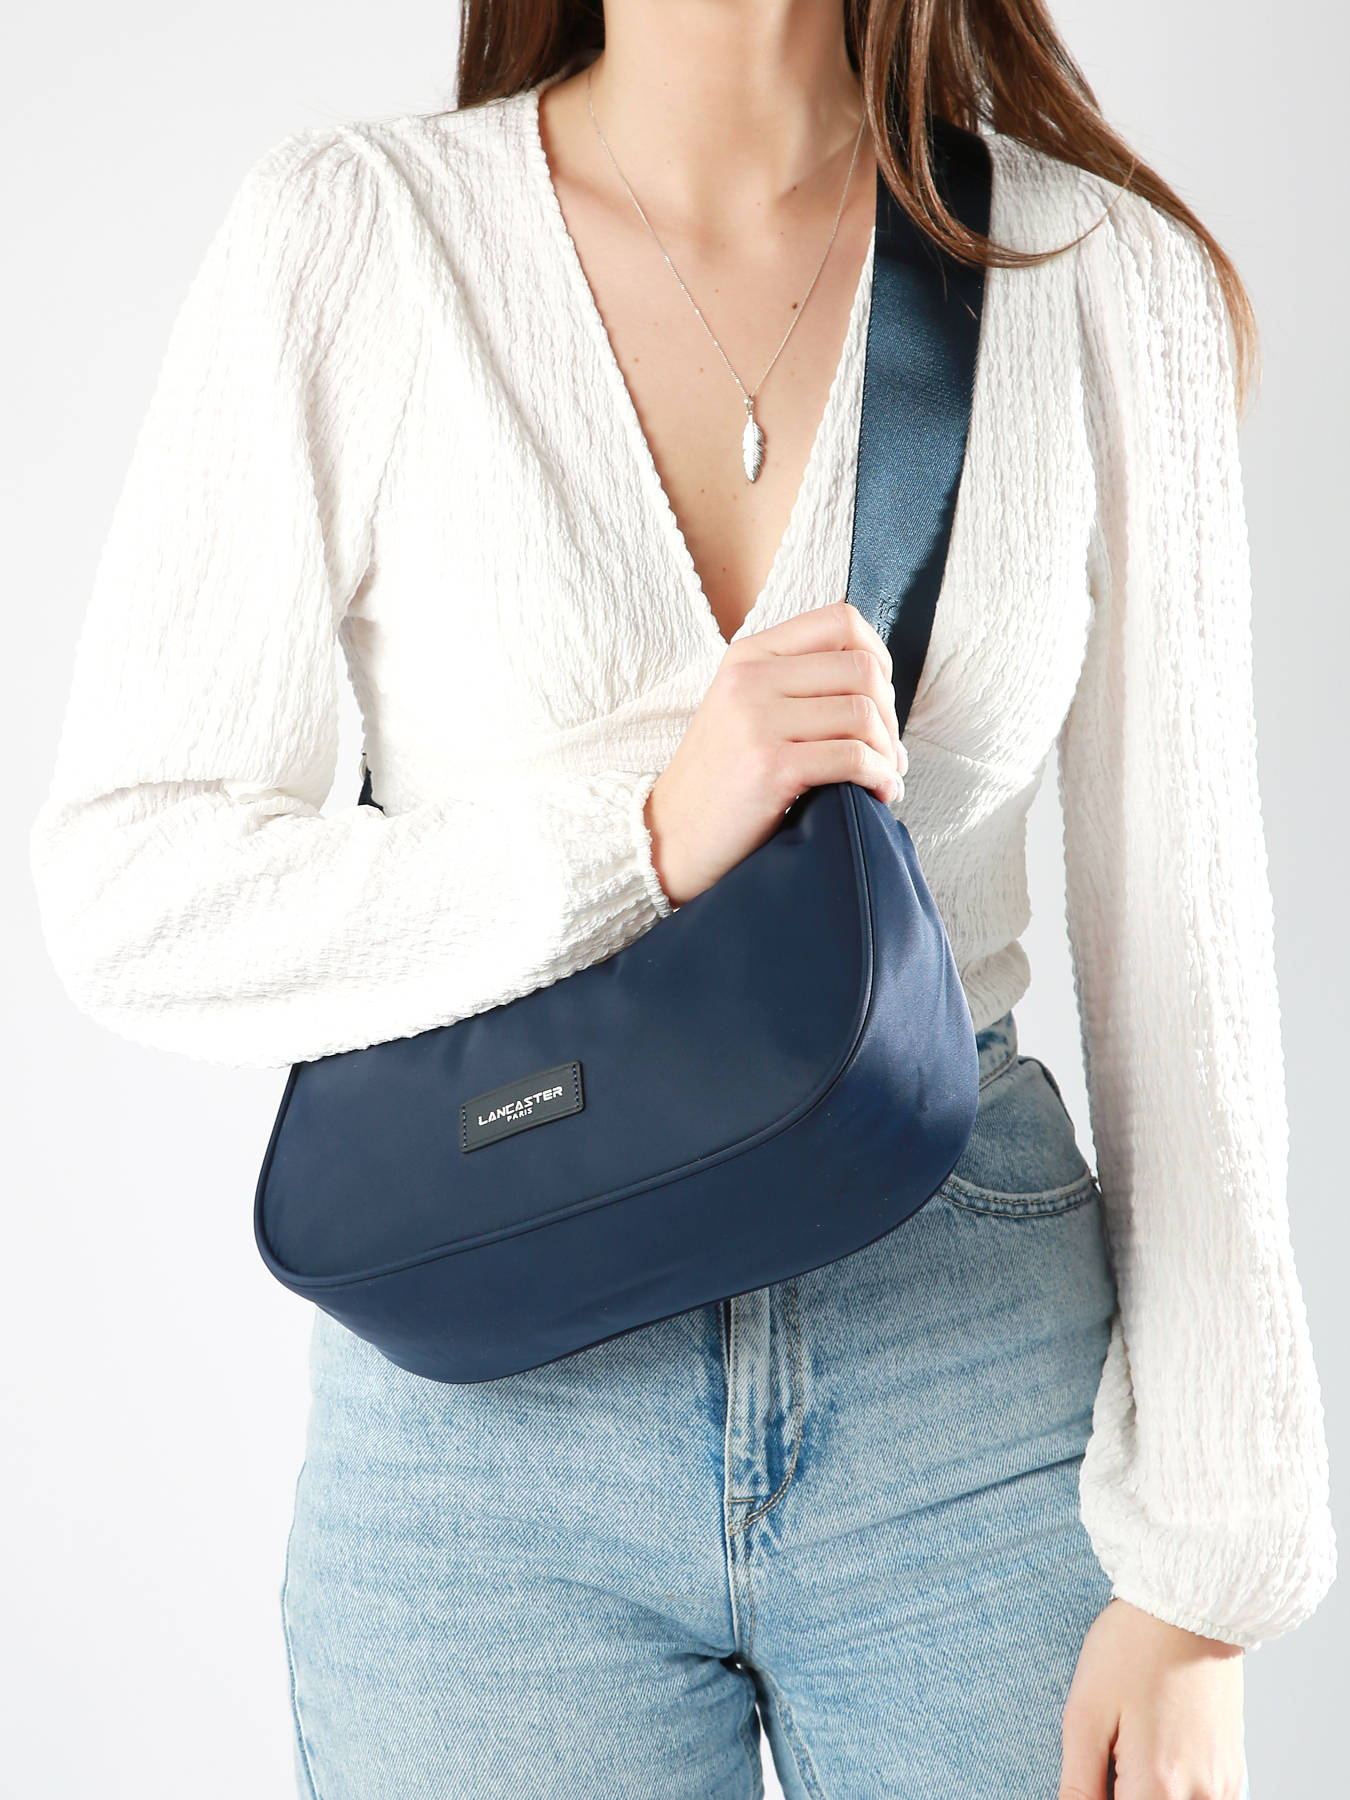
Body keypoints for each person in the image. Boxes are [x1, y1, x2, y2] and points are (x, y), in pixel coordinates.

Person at [27, 2, 1335, 1795]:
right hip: (490, 1439)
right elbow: (135, 888)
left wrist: (1206, 1579)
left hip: (972, 1380)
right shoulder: (361, 233)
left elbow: (1187, 963)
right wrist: (637, 838)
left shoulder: (1097, 276)